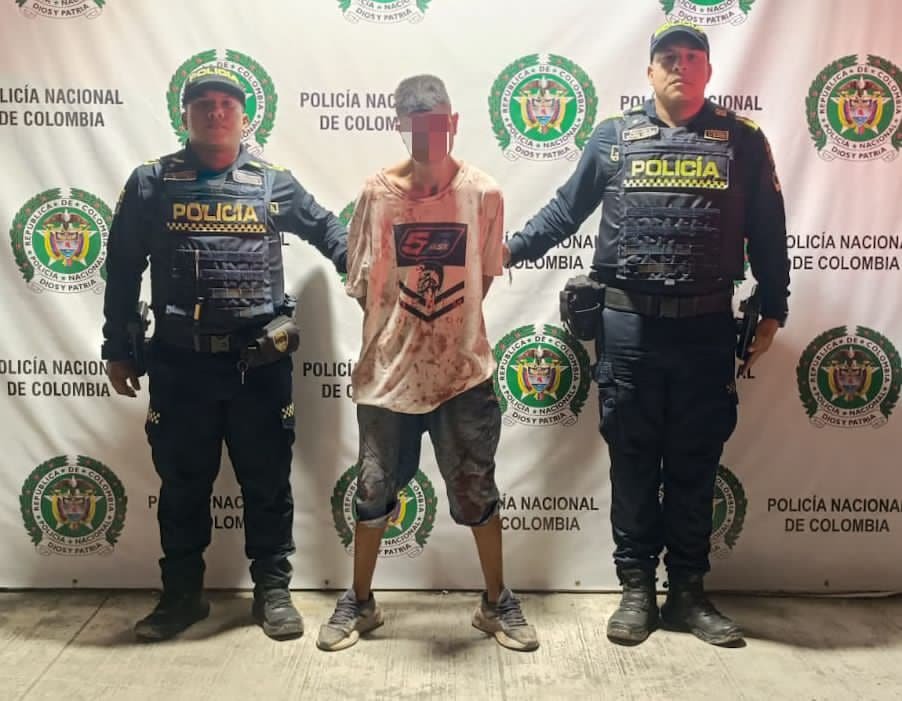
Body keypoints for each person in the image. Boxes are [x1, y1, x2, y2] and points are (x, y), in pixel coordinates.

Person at [503, 22, 789, 646]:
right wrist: (507, 251)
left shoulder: (743, 141)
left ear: (708, 70)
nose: (680, 66)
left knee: (695, 462)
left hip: (706, 330)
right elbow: (564, 210)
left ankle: (687, 593)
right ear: (650, 72)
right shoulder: (613, 138)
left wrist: (774, 308)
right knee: (632, 461)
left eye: (692, 57)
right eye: (668, 58)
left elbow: (769, 230)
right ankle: (636, 591)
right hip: (628, 328)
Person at [101, 65, 348, 642]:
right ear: (184, 114)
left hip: (257, 366)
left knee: (268, 483)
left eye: (226, 104)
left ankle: (273, 592)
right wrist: (117, 347)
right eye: (203, 103)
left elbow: (330, 231)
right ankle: (181, 597)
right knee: (182, 486)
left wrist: (364, 270)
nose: (215, 112)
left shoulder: (273, 183)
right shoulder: (151, 183)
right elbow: (122, 270)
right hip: (180, 366)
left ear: (244, 116)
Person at [316, 74, 538, 653]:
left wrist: (446, 334)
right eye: (416, 127)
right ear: (399, 126)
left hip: (462, 374)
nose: (428, 138)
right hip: (386, 377)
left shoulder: (484, 193)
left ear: (454, 123)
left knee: (477, 491)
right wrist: (400, 336)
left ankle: (496, 602)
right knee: (373, 491)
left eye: (437, 125)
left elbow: (482, 277)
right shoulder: (376, 194)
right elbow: (364, 285)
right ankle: (361, 602)